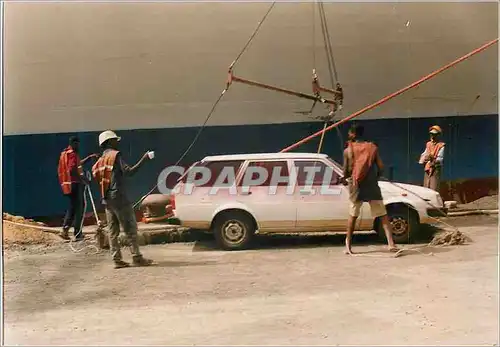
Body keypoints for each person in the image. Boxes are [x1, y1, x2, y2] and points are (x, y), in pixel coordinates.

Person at [92, 130, 154, 268]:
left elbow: (96, 175)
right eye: (115, 140)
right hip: (119, 197)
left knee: (113, 231)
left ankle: (117, 260)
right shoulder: (115, 156)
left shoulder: (100, 160)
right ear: (108, 142)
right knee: (130, 228)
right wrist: (144, 159)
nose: (117, 142)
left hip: (107, 199)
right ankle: (137, 257)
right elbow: (129, 172)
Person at [342, 124, 399, 255]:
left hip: (356, 186)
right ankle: (391, 244)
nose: (349, 135)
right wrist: (375, 176)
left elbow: (346, 172)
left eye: (350, 133)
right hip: (371, 184)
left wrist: (344, 178)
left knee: (353, 215)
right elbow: (381, 166)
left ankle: (348, 246)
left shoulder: (348, 151)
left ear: (353, 134)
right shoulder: (372, 147)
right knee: (383, 215)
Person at [58, 136, 98, 241]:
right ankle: (78, 233)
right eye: (77, 143)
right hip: (75, 184)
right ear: (73, 143)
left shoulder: (65, 154)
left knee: (72, 208)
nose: (78, 146)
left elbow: (76, 165)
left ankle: (65, 230)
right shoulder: (72, 154)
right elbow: (72, 169)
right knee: (80, 208)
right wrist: (84, 178)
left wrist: (88, 158)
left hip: (69, 185)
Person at [419, 125, 445, 191]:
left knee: (434, 187)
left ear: (438, 135)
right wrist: (424, 159)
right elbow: (425, 154)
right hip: (427, 168)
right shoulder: (428, 144)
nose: (432, 136)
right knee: (426, 187)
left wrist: (433, 160)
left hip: (435, 169)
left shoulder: (441, 145)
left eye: (434, 134)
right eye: (431, 134)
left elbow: (440, 158)